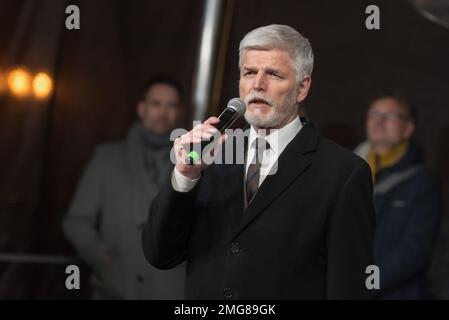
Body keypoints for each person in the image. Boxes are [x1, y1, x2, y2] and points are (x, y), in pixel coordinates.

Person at [142, 25, 376, 299]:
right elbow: (160, 255)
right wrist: (184, 177)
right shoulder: (209, 155)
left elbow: (349, 288)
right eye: (250, 72)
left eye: (274, 74)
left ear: (302, 88)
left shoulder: (343, 172)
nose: (258, 85)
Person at [63, 75, 186, 299]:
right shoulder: (107, 158)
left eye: (171, 105)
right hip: (117, 286)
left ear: (179, 112)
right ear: (141, 108)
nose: (163, 112)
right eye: (156, 104)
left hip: (171, 289)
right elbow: (77, 220)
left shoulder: (191, 163)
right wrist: (101, 257)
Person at [354, 94, 442, 299]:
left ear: (408, 129)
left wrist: (366, 283)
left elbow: (413, 252)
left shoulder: (422, 183)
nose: (380, 120)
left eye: (391, 115)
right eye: (374, 114)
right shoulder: (349, 173)